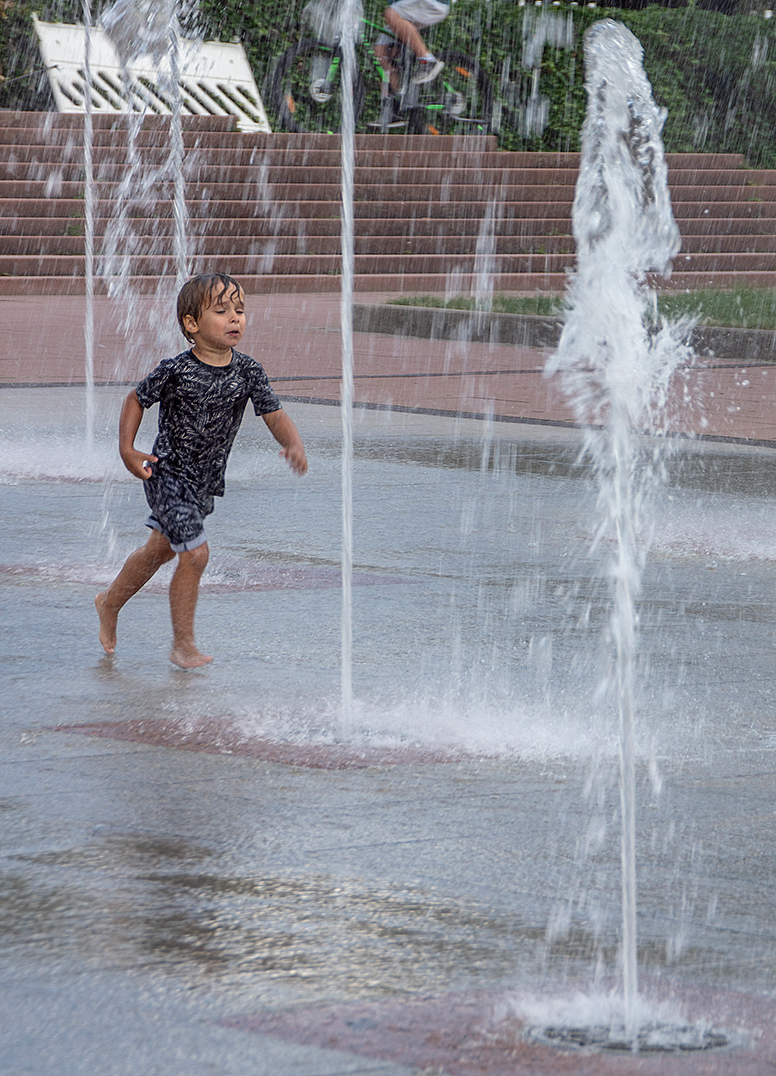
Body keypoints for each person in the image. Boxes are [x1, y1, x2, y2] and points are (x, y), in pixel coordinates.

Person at [95, 272, 308, 669]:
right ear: (191, 324)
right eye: (222, 310)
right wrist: (127, 449)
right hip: (166, 474)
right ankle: (183, 645)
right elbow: (136, 399)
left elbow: (274, 414)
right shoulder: (176, 370)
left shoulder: (248, 371)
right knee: (195, 554)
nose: (235, 319)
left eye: (240, 311)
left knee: (159, 550)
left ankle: (109, 602)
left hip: (204, 484)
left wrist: (292, 443)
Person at [375, 0, 449, 92]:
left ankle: (427, 60)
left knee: (391, 14)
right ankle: (401, 95)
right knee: (381, 52)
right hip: (407, 7)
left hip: (433, 3)